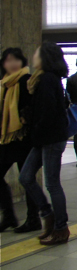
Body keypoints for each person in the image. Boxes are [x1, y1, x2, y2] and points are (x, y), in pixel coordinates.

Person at [19, 42, 70, 245]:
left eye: (37, 53)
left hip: (50, 139)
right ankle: (48, 215)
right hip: (44, 138)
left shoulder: (48, 79)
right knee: (25, 177)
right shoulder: (43, 79)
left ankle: (61, 228)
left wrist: (36, 128)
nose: (33, 56)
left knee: (52, 183)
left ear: (45, 58)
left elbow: (48, 111)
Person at [0, 48, 41, 234]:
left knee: (27, 179)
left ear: (22, 61)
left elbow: (35, 106)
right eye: (8, 60)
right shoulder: (4, 84)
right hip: (7, 140)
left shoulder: (27, 80)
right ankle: (8, 215)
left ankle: (33, 219)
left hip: (24, 139)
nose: (12, 64)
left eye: (16, 59)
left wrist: (26, 117)